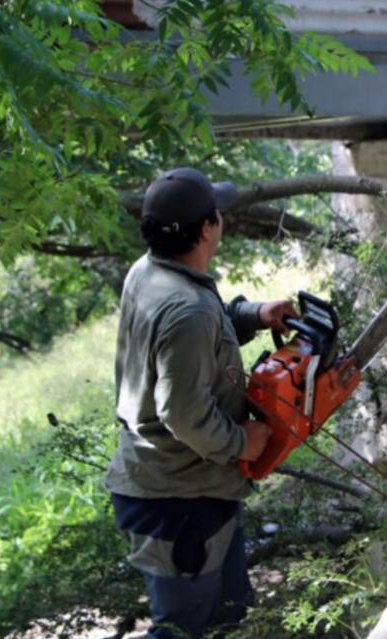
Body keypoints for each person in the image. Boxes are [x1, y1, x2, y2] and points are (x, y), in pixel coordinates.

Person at [104, 167, 296, 639]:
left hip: (193, 488)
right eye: (217, 213)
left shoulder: (149, 272)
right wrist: (240, 442)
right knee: (185, 630)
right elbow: (183, 411)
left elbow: (193, 341)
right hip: (179, 500)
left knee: (229, 616)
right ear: (208, 227)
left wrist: (253, 314)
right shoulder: (187, 308)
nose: (221, 219)